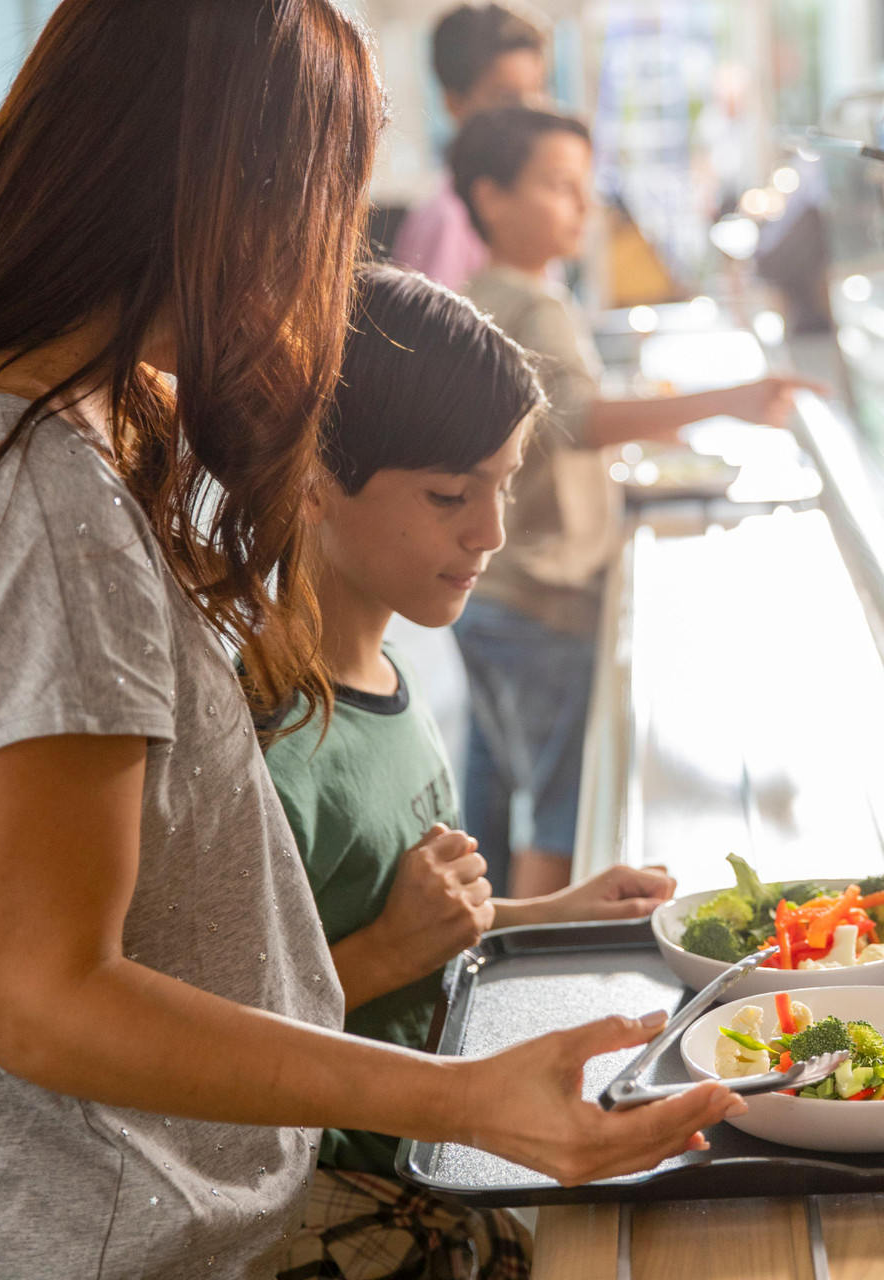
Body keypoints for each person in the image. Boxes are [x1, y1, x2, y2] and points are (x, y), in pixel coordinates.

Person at [0, 4, 739, 1277]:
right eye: (325, 213)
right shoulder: (27, 501)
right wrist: (463, 1099)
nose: (322, 271)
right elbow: (47, 997)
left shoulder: (26, 429)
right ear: (226, 193)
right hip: (88, 1234)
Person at [268, 265, 683, 1278]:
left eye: (503, 484)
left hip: (432, 1154)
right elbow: (206, 1041)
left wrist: (554, 914)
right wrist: (385, 953)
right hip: (342, 1208)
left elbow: (409, 927)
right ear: (313, 478)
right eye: (452, 494)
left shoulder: (387, 670)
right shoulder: (272, 746)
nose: (491, 532)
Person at [451, 105, 814, 897]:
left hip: (496, 594)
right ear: (492, 198)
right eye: (558, 186)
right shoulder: (534, 304)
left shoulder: (488, 292)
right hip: (542, 600)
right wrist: (734, 400)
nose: (582, 205)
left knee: (499, 793)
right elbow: (579, 420)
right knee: (558, 819)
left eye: (584, 186)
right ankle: (533, 954)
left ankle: (479, 948)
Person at [390, 3, 548, 289]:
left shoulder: (529, 205)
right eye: (507, 98)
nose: (529, 115)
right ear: (455, 104)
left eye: (537, 93)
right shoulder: (446, 220)